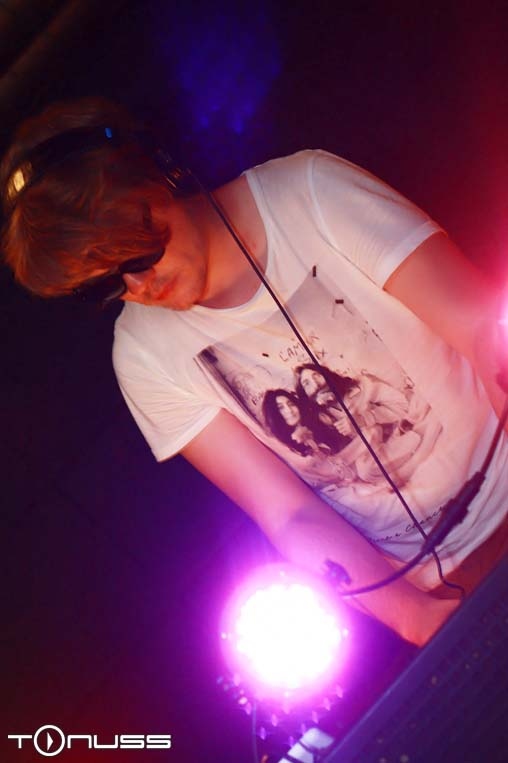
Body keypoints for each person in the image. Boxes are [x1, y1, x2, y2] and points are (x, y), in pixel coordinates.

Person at [2, 97, 508, 647]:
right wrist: (418, 620)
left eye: (138, 254)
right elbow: (289, 515)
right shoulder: (142, 356)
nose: (138, 287)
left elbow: (479, 331)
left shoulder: (311, 191)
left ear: (158, 177)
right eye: (105, 284)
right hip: (434, 587)